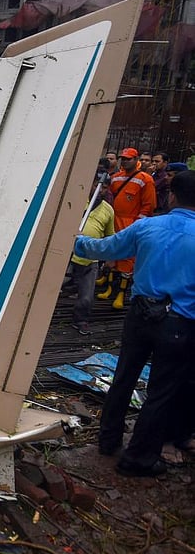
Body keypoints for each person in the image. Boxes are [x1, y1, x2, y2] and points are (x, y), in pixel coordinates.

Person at [74, 170, 195, 477]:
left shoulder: (148, 227)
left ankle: (108, 441)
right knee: (161, 391)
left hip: (140, 316)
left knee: (124, 378)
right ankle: (139, 457)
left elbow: (106, 249)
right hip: (180, 324)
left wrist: (78, 243)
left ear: (171, 196)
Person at [96, 147, 155, 309]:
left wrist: (138, 226)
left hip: (131, 224)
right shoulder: (116, 178)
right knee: (112, 257)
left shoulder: (145, 179)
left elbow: (148, 206)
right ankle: (109, 288)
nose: (125, 161)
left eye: (129, 158)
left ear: (136, 160)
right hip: (115, 221)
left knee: (127, 261)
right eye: (123, 158)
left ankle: (121, 294)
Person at [68, 173, 114, 335]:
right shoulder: (77, 201)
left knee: (87, 295)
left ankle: (80, 320)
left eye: (104, 188)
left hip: (90, 257)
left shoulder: (108, 210)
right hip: (68, 254)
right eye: (97, 185)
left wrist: (110, 259)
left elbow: (110, 236)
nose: (100, 190)